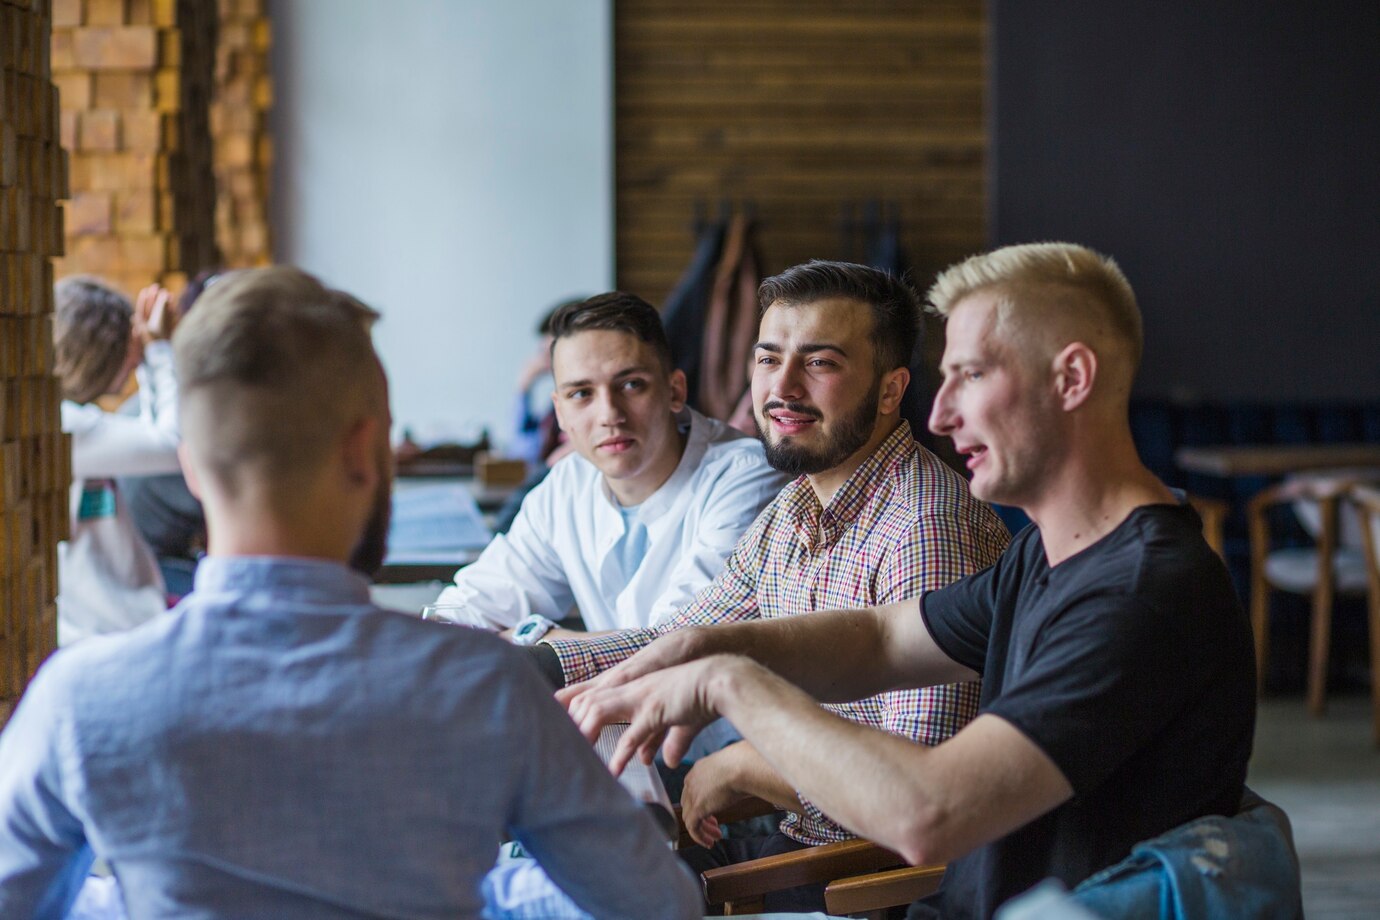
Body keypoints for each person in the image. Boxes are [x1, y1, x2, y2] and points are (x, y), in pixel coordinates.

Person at [563, 243, 1258, 919]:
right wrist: (691, 652)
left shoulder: (1138, 593)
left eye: (972, 376)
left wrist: (728, 684)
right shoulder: (1048, 557)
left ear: (1071, 379)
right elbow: (879, 637)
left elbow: (929, 812)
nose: (941, 415)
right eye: (945, 377)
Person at [0, 267, 700, 919]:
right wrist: (460, 887)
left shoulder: (78, 702)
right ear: (365, 452)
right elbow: (658, 903)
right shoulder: (483, 688)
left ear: (190, 466)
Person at [542, 261, 1009, 912]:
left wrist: (744, 766)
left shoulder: (926, 528)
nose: (781, 388)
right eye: (768, 359)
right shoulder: (794, 508)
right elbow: (682, 639)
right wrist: (536, 666)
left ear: (890, 390)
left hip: (865, 884)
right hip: (800, 844)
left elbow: (916, 787)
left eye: (819, 363)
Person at [431, 292, 787, 640]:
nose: (609, 415)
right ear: (560, 412)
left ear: (675, 391)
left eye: (631, 385)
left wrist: (536, 637)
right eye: (581, 394)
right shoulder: (568, 483)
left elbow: (676, 644)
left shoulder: (749, 478)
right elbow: (471, 606)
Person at [54, 277, 183, 645]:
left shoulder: (73, 420)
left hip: (117, 620)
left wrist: (151, 359)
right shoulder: (68, 426)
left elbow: (154, 434)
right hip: (106, 630)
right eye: (131, 341)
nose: (136, 350)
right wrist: (159, 350)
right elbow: (173, 445)